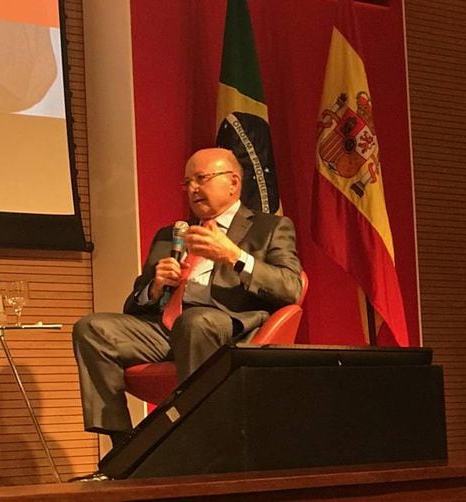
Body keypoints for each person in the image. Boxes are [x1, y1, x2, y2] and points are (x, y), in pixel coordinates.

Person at [73, 148, 302, 448]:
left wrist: (234, 256)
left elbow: (290, 287)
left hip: (225, 327)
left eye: (201, 179)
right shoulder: (172, 234)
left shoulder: (269, 228)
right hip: (166, 331)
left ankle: (203, 438)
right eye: (187, 182)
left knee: (195, 322)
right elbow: (132, 307)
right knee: (92, 328)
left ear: (233, 183)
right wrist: (155, 287)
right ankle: (124, 444)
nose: (193, 188)